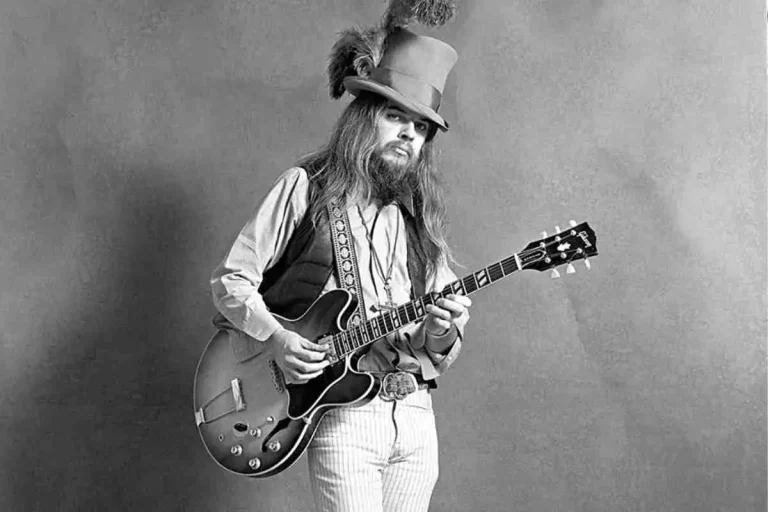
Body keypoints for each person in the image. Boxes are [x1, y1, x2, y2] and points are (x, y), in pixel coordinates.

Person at [209, 20, 470, 512]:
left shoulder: (421, 221)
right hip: (343, 416)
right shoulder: (304, 188)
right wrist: (277, 338)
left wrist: (441, 330)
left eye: (420, 130)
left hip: (415, 414)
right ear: (364, 117)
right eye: (397, 118)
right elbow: (231, 280)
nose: (408, 137)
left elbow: (439, 344)